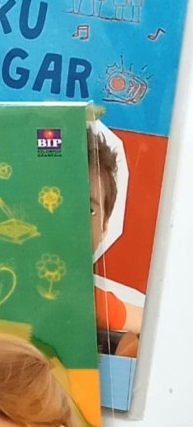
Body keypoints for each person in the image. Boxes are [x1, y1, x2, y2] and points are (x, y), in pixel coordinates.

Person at [88, 126, 143, 343]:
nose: (69, 220)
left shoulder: (91, 303)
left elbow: (152, 323)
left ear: (104, 227)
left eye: (87, 210)